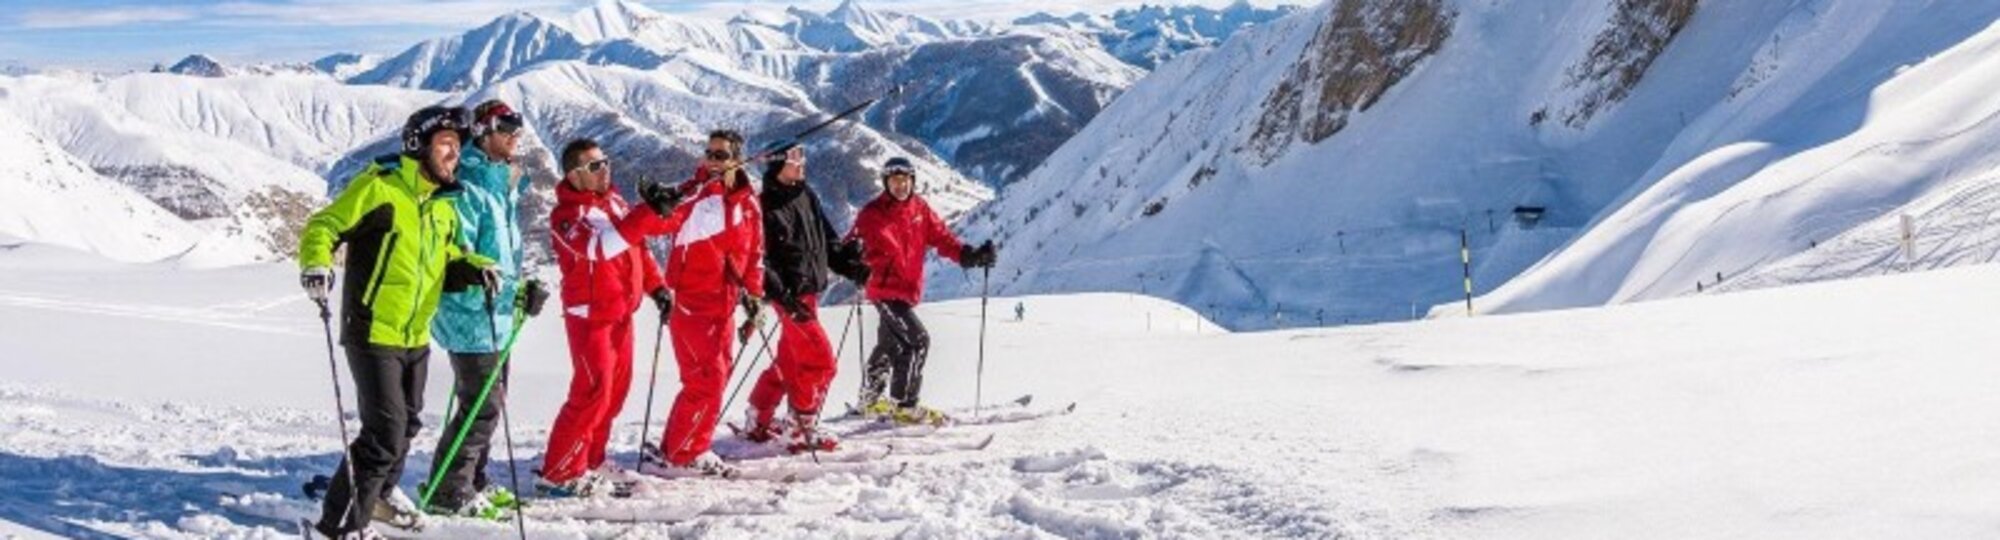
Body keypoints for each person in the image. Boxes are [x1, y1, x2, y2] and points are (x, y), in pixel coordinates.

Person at [298, 105, 495, 538]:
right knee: (383, 433)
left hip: (414, 333)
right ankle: (338, 528)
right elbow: (325, 225)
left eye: (458, 146)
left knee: (407, 423)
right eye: (445, 144)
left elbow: (449, 256)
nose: (453, 154)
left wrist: (476, 267)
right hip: (372, 328)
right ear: (418, 146)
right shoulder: (380, 189)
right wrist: (317, 263)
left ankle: (380, 497)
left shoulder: (443, 205)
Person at [421, 99, 546, 517]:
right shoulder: (470, 183)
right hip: (470, 313)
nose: (515, 139)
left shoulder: (498, 184)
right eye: (507, 131)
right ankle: (447, 491)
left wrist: (519, 291)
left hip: (495, 312)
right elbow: (463, 252)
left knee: (489, 401)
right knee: (482, 404)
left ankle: (472, 480)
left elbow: (503, 254)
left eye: (516, 132)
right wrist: (483, 287)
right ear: (485, 132)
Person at [536, 137, 682, 496]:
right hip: (591, 317)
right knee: (591, 392)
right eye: (595, 166)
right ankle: (558, 472)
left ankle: (591, 458)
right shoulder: (567, 217)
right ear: (574, 175)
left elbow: (637, 244)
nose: (606, 170)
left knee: (614, 393)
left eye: (606, 162)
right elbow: (601, 248)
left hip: (620, 312)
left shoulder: (612, 201)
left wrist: (656, 286)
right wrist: (648, 212)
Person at [649, 129, 768, 477]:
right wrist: (658, 203)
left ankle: (682, 444)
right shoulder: (696, 194)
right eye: (709, 153)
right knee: (708, 379)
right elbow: (664, 220)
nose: (711, 161)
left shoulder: (747, 202)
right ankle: (686, 452)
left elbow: (754, 253)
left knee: (714, 376)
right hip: (693, 301)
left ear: (736, 159)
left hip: (726, 302)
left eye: (720, 155)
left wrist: (755, 296)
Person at [739, 147, 870, 452]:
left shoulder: (805, 194)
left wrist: (850, 265)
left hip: (808, 293)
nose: (801, 165)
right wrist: (783, 297)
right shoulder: (764, 207)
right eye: (794, 160)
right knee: (821, 363)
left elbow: (826, 240)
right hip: (791, 298)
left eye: (802, 159)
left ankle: (757, 417)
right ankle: (800, 427)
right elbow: (760, 260)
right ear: (777, 166)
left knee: (789, 361)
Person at [848, 157, 996, 425]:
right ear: (886, 183)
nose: (901, 185)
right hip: (883, 290)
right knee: (917, 341)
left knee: (889, 342)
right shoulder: (872, 214)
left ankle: (869, 398)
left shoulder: (919, 209)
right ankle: (904, 406)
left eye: (905, 180)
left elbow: (942, 238)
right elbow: (850, 244)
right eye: (894, 180)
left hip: (907, 290)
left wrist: (969, 256)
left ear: (913, 181)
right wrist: (854, 256)